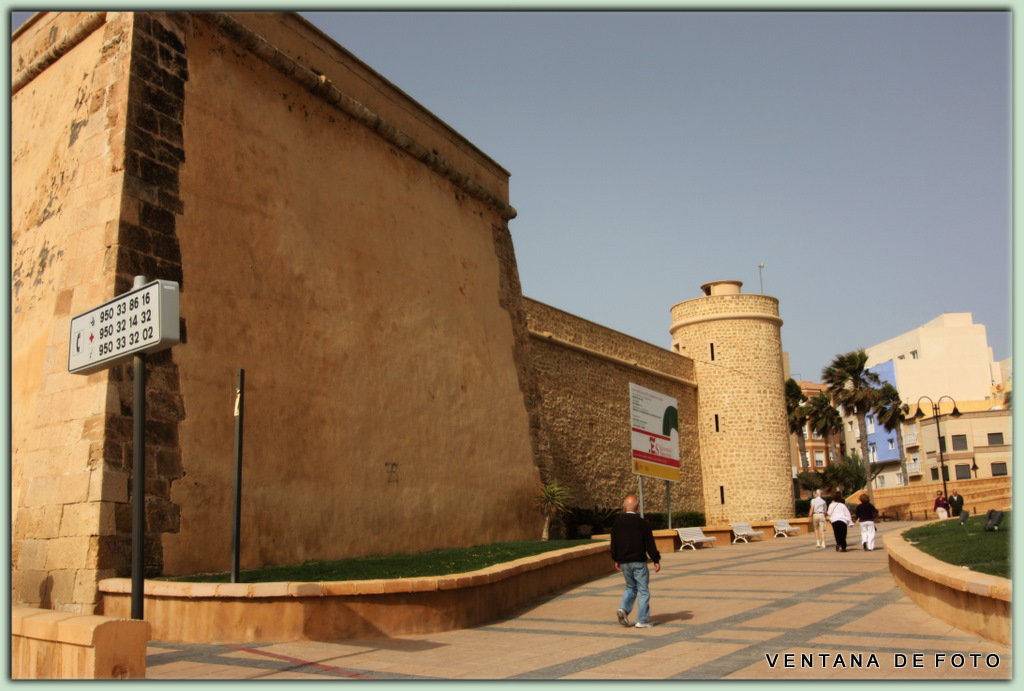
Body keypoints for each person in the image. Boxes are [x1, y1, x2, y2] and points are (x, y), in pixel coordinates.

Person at [610, 494, 661, 629]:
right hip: (638, 561)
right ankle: (642, 620)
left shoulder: (617, 523)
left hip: (625, 562)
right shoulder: (643, 523)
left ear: (624, 506)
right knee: (643, 590)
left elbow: (614, 543)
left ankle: (623, 609)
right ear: (637, 506)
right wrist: (655, 559)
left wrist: (616, 559)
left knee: (630, 587)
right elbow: (649, 543)